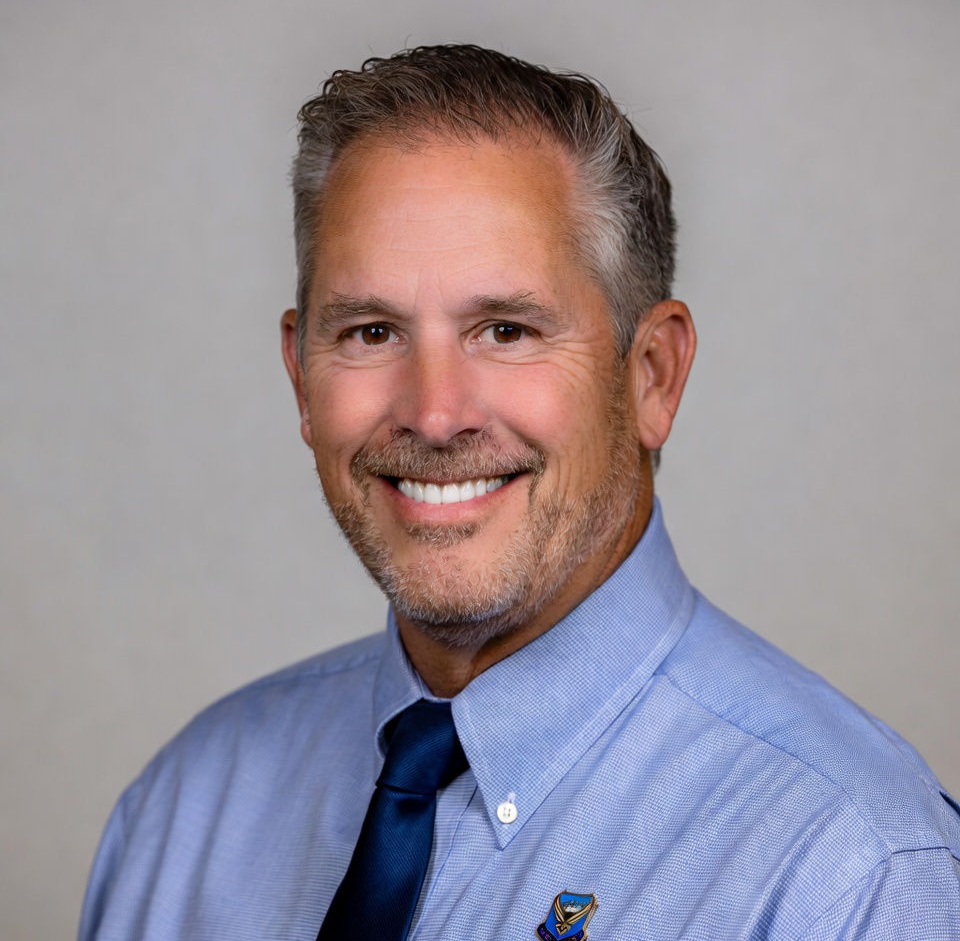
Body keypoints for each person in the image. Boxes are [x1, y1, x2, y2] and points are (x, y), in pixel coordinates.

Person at [79, 45, 960, 941]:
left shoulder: (852, 877)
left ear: (652, 375)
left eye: (506, 330)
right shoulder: (181, 814)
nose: (432, 414)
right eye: (372, 331)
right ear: (302, 381)